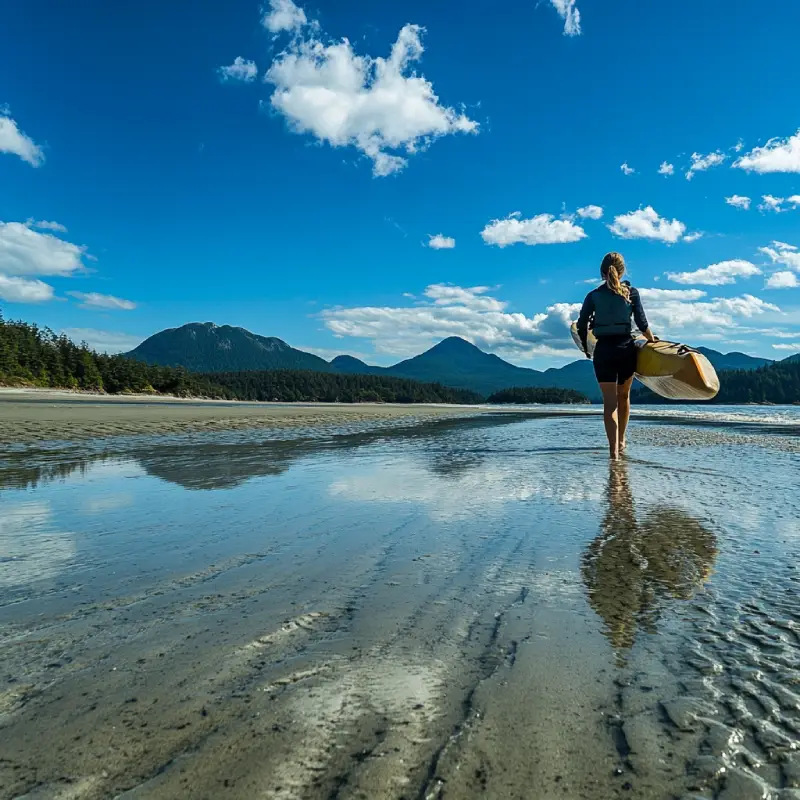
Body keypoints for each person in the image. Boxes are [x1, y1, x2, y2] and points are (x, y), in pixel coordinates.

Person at [577, 252, 657, 459]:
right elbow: (641, 323)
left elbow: (581, 325)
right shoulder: (631, 293)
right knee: (624, 397)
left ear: (602, 272)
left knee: (609, 403)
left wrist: (586, 349)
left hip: (603, 352)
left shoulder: (593, 296)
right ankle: (621, 441)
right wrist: (653, 340)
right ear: (622, 271)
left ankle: (613, 452)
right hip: (626, 350)